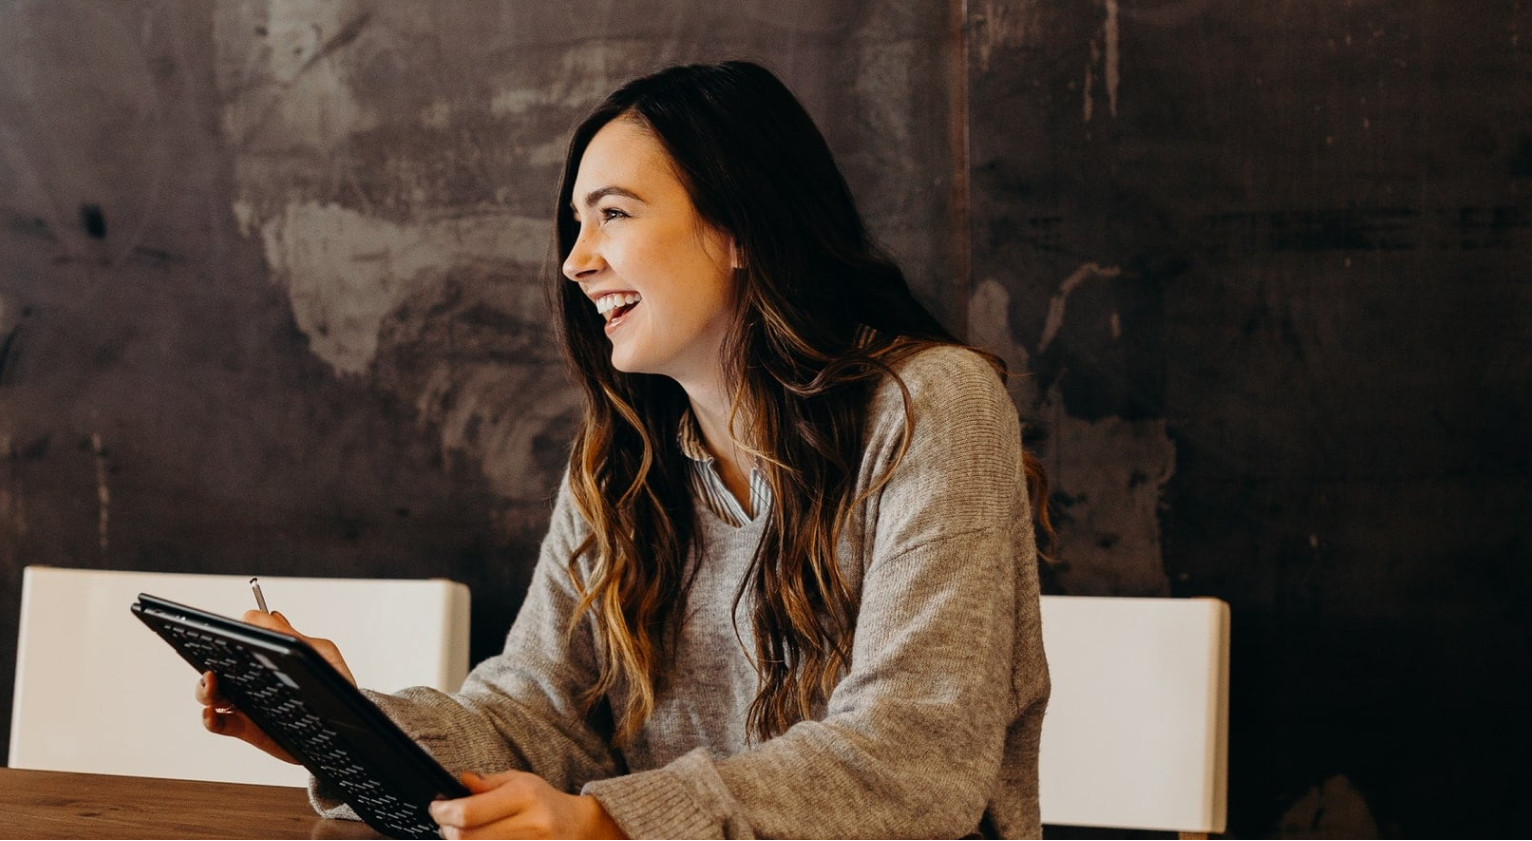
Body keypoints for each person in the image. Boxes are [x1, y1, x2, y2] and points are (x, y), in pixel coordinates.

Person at [196, 60, 1053, 840]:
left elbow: (913, 758)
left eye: (613, 213)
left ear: (737, 228)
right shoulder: (623, 459)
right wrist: (346, 727)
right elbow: (536, 717)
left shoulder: (930, 405)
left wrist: (607, 821)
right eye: (576, 223)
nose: (575, 260)